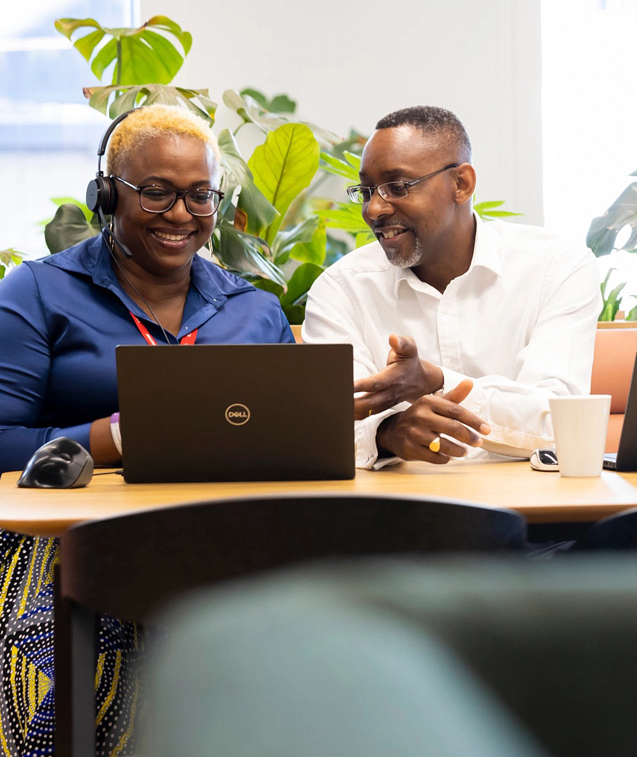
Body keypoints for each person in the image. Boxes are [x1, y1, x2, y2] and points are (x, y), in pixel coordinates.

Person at [0, 104, 294, 755]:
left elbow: (292, 438)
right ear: (107, 195)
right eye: (156, 192)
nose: (182, 214)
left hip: (228, 530)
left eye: (200, 195)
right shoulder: (39, 293)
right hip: (69, 534)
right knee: (50, 645)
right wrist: (110, 438)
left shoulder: (254, 309)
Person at [302, 106, 601, 468]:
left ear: (461, 184)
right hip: (392, 513)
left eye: (397, 187)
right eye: (366, 191)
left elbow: (562, 422)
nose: (374, 210)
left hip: (533, 508)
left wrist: (435, 382)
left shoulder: (556, 267)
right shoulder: (340, 290)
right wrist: (386, 433)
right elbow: (327, 424)